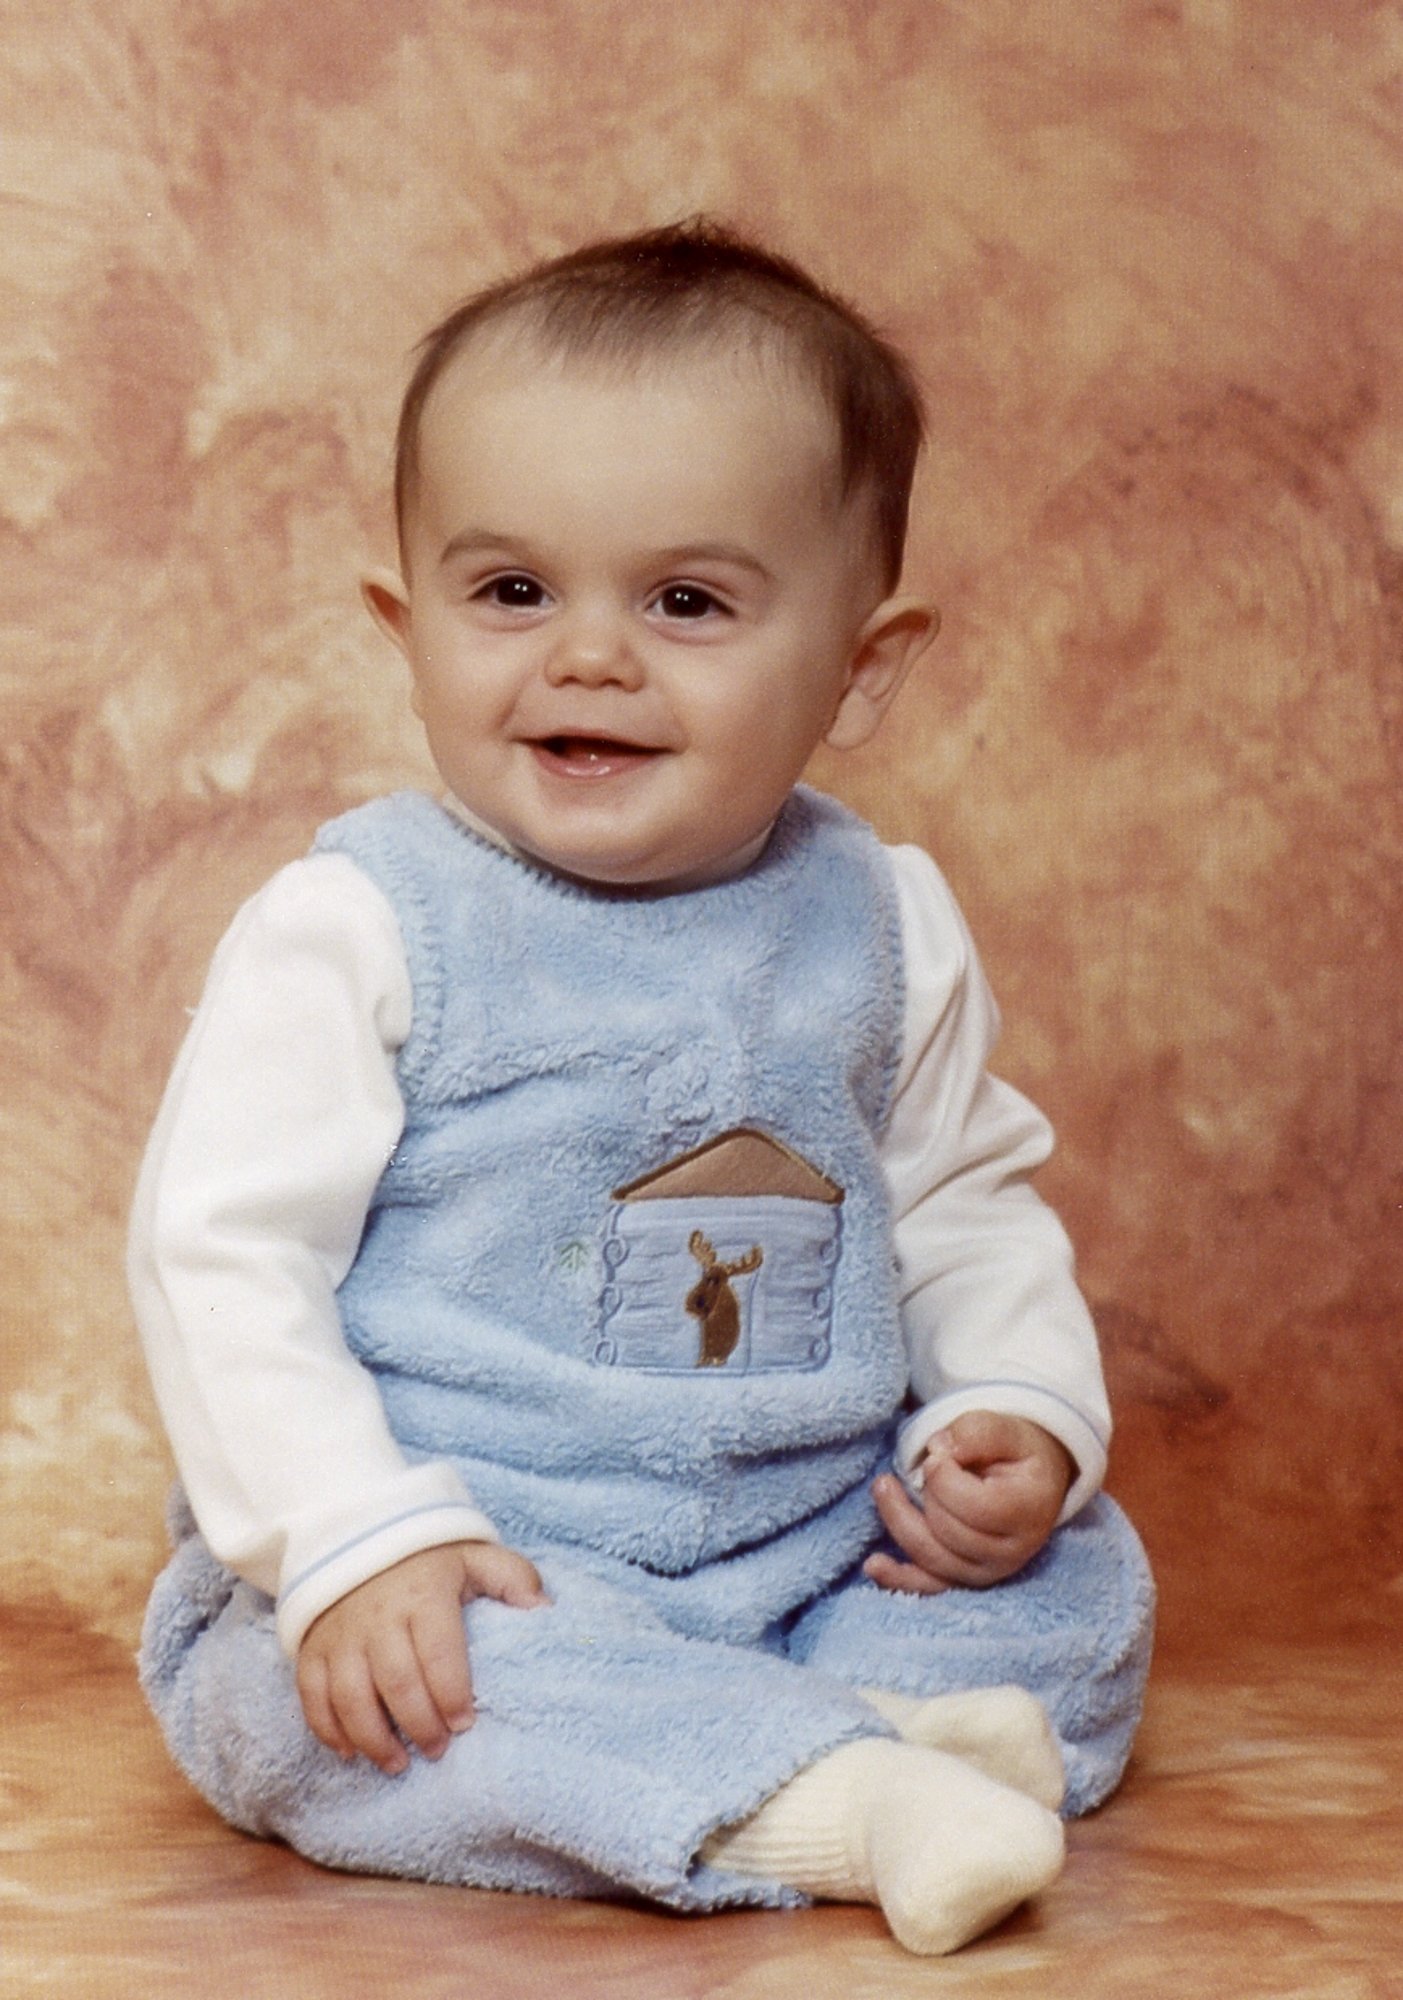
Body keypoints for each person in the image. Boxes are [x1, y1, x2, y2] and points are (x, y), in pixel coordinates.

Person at [130, 220, 1153, 1957]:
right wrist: (353, 1537)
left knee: (1083, 1586)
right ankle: (852, 1796)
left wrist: (1018, 1412)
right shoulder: (362, 926)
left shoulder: (880, 923)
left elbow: (963, 1199)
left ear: (863, 662)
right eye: (512, 592)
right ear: (409, 623)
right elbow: (220, 1256)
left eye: (684, 602)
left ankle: (842, 1730)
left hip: (815, 1543)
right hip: (490, 1556)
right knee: (339, 1703)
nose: (588, 655)